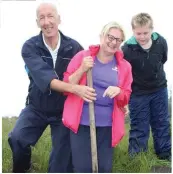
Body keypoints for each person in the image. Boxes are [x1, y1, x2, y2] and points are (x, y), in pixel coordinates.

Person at [8, 2, 96, 173]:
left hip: (64, 110)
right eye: (42, 18)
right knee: (17, 138)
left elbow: (88, 75)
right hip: (36, 106)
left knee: (60, 165)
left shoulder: (75, 47)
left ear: (59, 19)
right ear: (37, 22)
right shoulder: (30, 47)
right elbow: (46, 79)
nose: (47, 22)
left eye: (50, 16)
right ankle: (23, 168)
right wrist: (75, 89)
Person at [62, 21, 133, 172]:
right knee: (82, 168)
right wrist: (82, 69)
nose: (113, 42)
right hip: (81, 122)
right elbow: (66, 86)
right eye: (110, 37)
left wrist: (119, 91)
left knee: (104, 168)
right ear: (102, 36)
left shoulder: (124, 66)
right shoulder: (83, 57)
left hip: (107, 125)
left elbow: (126, 96)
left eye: (118, 40)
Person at [122, 13, 171, 161]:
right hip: (138, 93)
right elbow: (125, 72)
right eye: (138, 33)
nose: (142, 37)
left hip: (159, 89)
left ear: (152, 30)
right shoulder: (127, 49)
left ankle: (164, 155)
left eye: (145, 33)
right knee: (139, 126)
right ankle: (137, 158)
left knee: (161, 122)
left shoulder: (161, 42)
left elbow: (163, 59)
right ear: (133, 31)